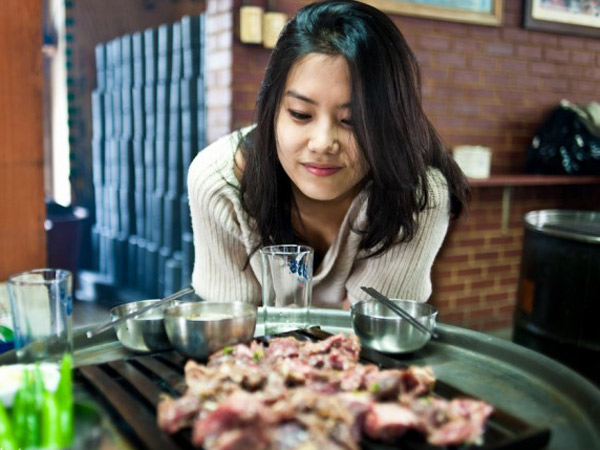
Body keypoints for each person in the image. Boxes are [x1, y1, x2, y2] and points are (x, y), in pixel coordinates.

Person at [187, 0, 469, 309]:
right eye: (300, 114)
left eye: (352, 121)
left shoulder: (417, 195)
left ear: (389, 123)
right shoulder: (219, 180)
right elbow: (234, 334)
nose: (323, 143)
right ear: (272, 111)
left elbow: (375, 335)